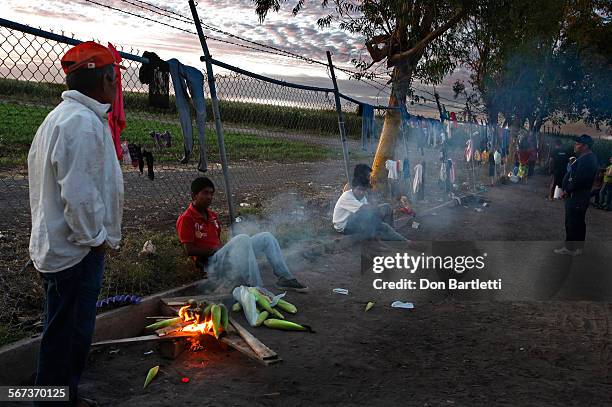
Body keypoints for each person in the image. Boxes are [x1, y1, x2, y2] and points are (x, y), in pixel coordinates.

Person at [28, 42, 125, 406]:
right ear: (104, 78)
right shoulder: (82, 125)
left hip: (59, 248)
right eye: (115, 78)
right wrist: (97, 239)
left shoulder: (61, 118)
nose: (117, 86)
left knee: (61, 330)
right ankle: (53, 399)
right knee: (70, 334)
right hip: (76, 252)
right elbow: (80, 198)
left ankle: (59, 395)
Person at [177, 177, 307, 292]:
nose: (209, 197)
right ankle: (257, 288)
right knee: (242, 239)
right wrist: (218, 251)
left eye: (211, 193)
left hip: (222, 257)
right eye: (205, 193)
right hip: (211, 263)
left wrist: (230, 252)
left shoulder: (212, 216)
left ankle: (285, 278)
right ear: (194, 195)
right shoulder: (187, 218)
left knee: (266, 237)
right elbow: (189, 250)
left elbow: (217, 240)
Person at [554, 135, 599, 256]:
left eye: (578, 143)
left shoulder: (588, 159)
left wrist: (567, 190)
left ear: (585, 146)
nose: (575, 145)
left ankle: (570, 248)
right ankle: (578, 248)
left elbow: (579, 180)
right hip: (577, 195)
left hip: (577, 196)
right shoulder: (585, 157)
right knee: (577, 221)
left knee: (573, 222)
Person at [333, 176, 407, 241]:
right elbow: (365, 209)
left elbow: (369, 210)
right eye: (359, 189)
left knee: (386, 208)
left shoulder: (362, 197)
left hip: (355, 220)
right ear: (353, 188)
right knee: (378, 224)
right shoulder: (347, 196)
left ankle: (391, 232)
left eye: (364, 190)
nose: (361, 192)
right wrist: (376, 211)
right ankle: (393, 237)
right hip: (344, 226)